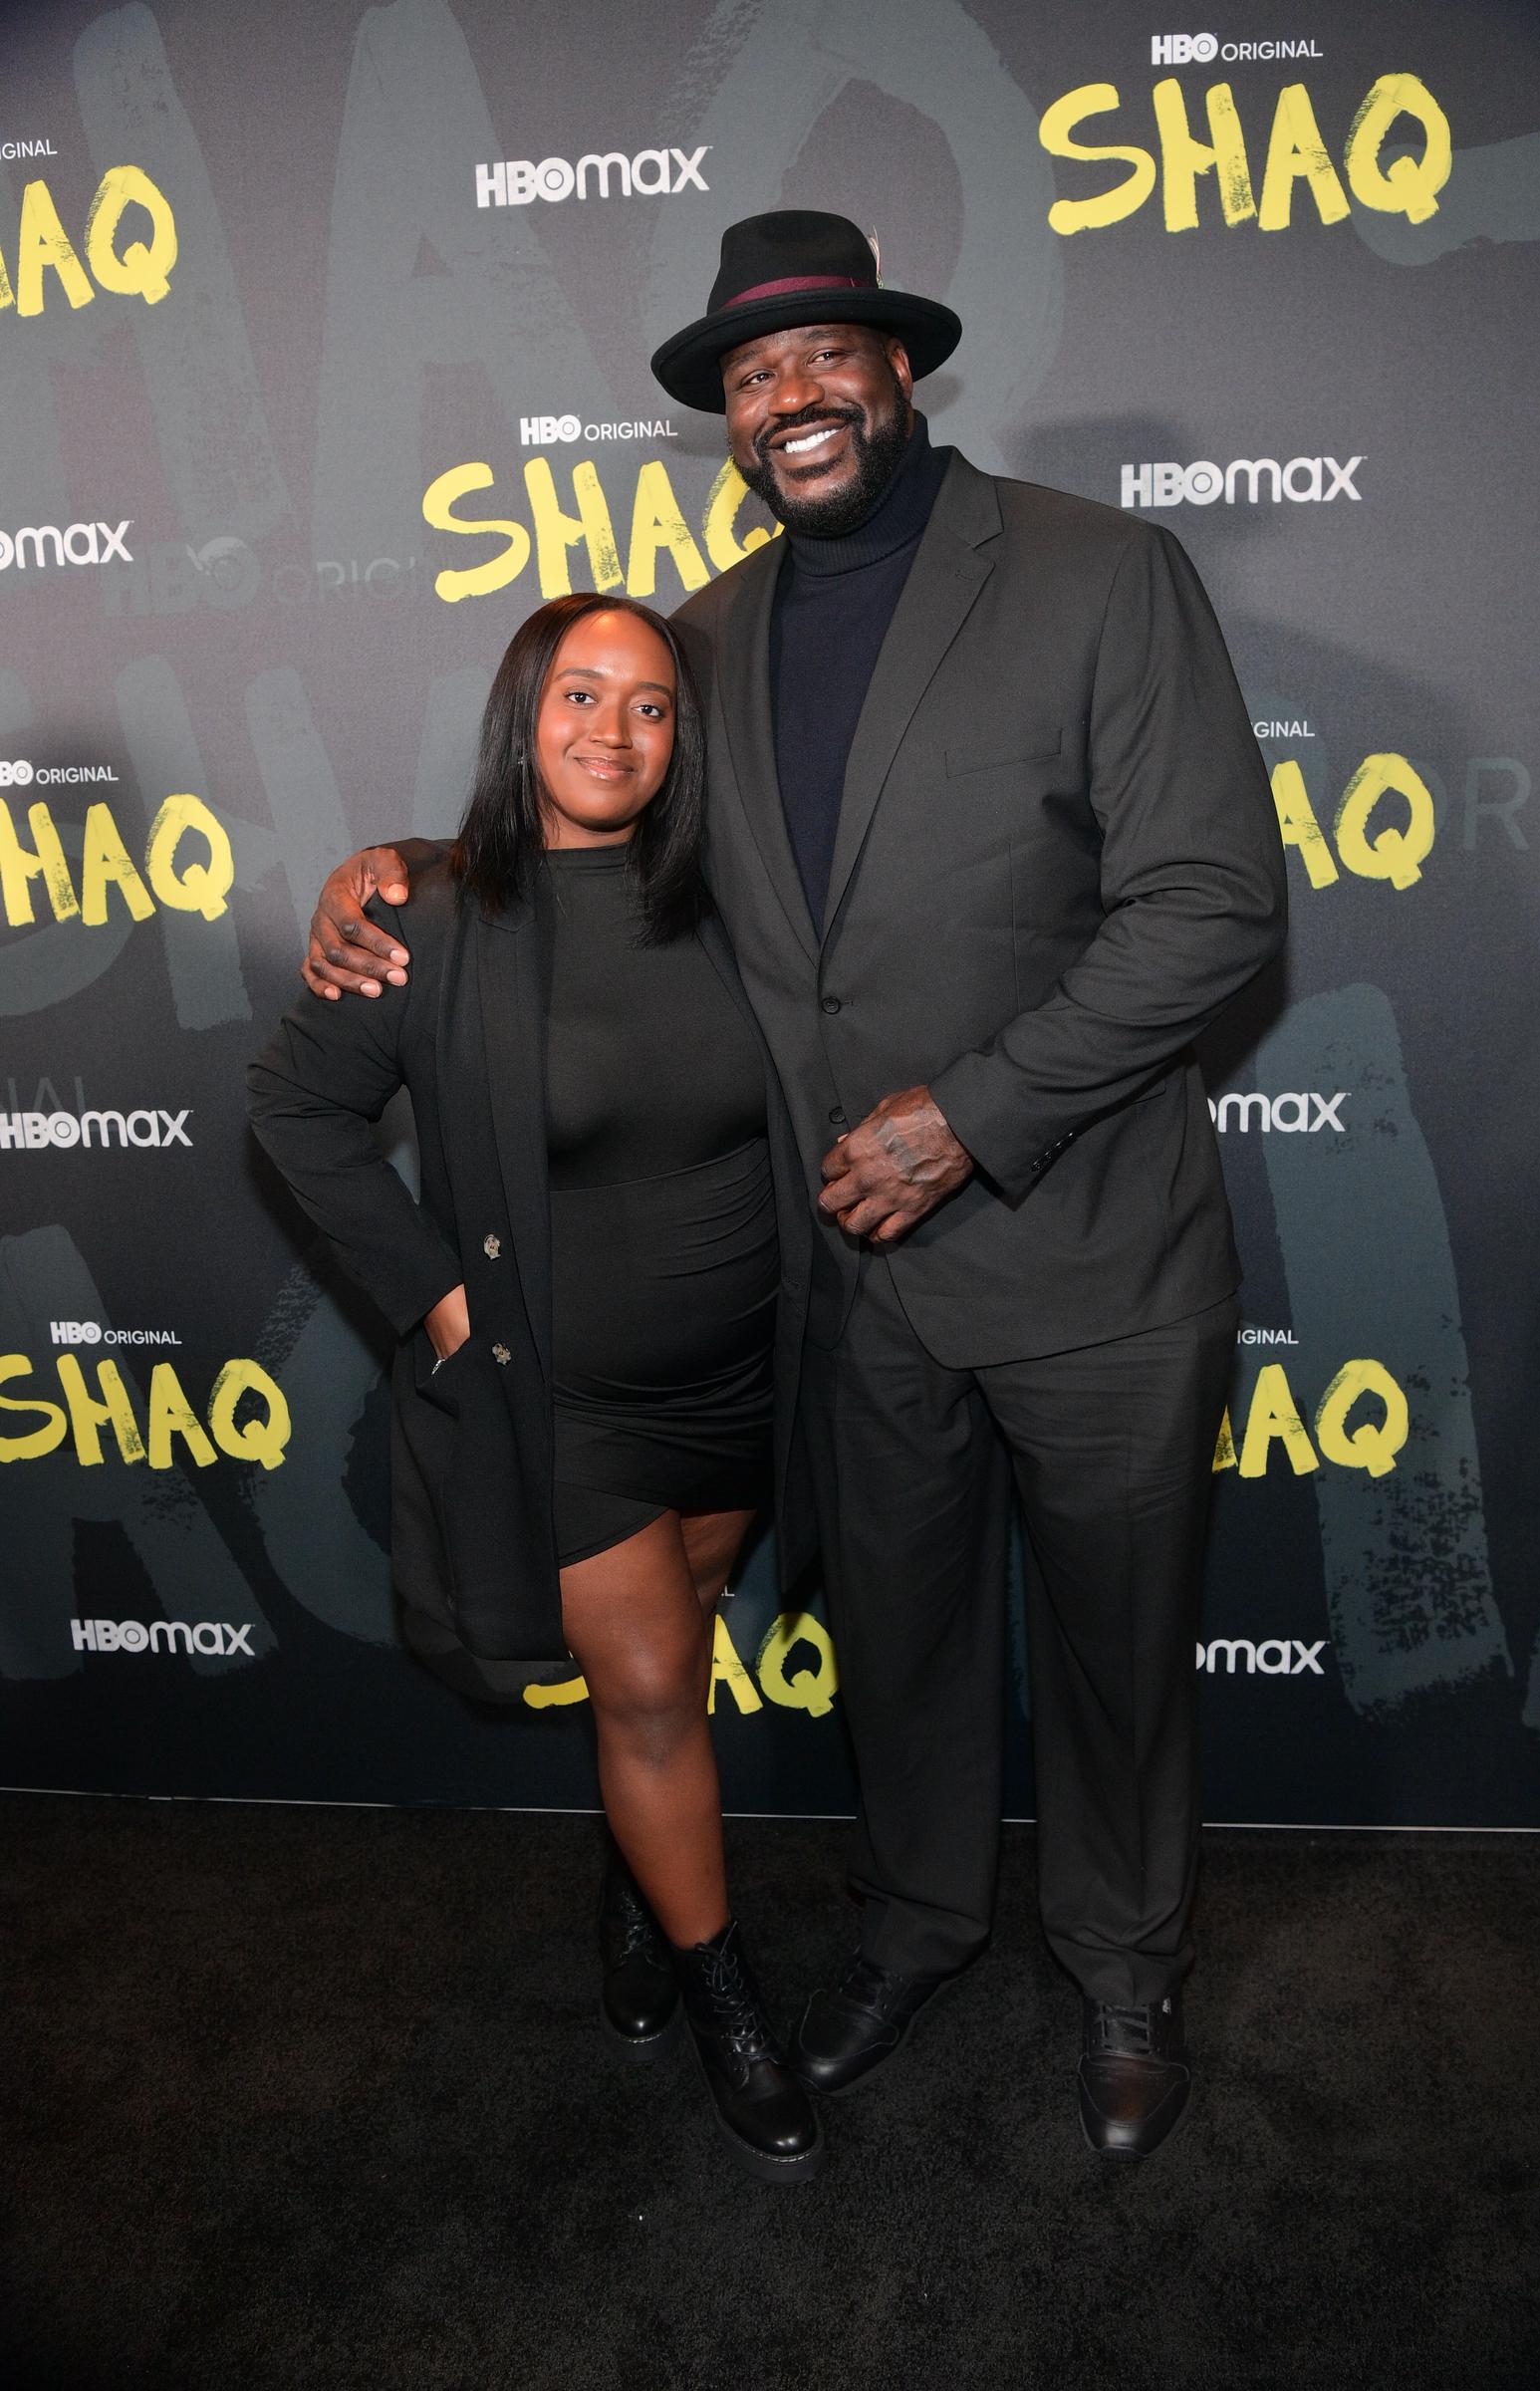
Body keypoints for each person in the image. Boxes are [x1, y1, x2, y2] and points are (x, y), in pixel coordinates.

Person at [301, 211, 1289, 2162]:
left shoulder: (1100, 573)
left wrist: (975, 1114)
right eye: (750, 378)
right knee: (904, 1648)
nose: (788, 397)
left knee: (1112, 1654)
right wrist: (403, 863)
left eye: (822, 354)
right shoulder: (704, 637)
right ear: (729, 426)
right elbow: (589, 833)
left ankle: (1118, 1965)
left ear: (897, 372)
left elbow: (1214, 908)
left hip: (1087, 1254)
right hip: (843, 1289)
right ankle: (917, 1919)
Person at [249, 593, 822, 2186]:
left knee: (686, 1647)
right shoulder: (428, 913)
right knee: (645, 1688)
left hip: (741, 1373)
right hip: (558, 1401)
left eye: (650, 707)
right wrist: (440, 1301)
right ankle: (729, 1999)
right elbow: (295, 1113)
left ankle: (642, 1884)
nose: (612, 732)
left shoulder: (735, 902)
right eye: (580, 694)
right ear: (524, 711)